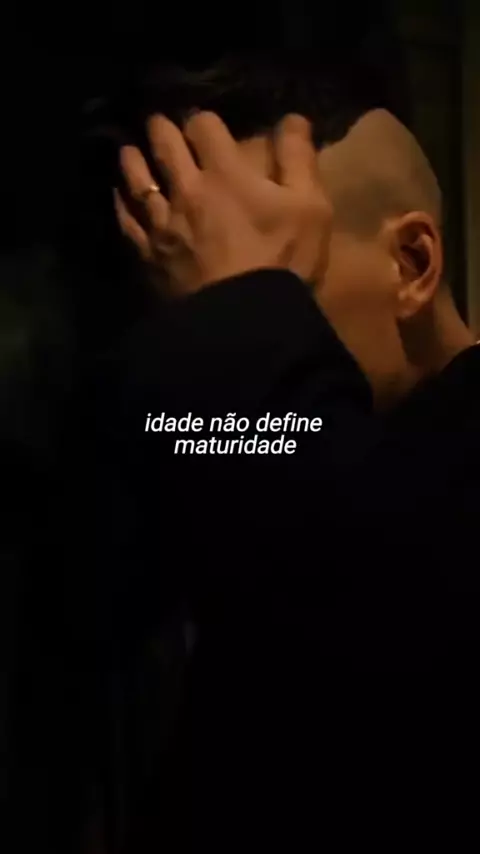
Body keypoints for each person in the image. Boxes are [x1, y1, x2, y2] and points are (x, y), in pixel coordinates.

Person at [85, 64, 480, 849]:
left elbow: (376, 608)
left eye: (280, 273)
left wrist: (244, 313)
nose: (203, 329)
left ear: (410, 265)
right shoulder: (244, 463)